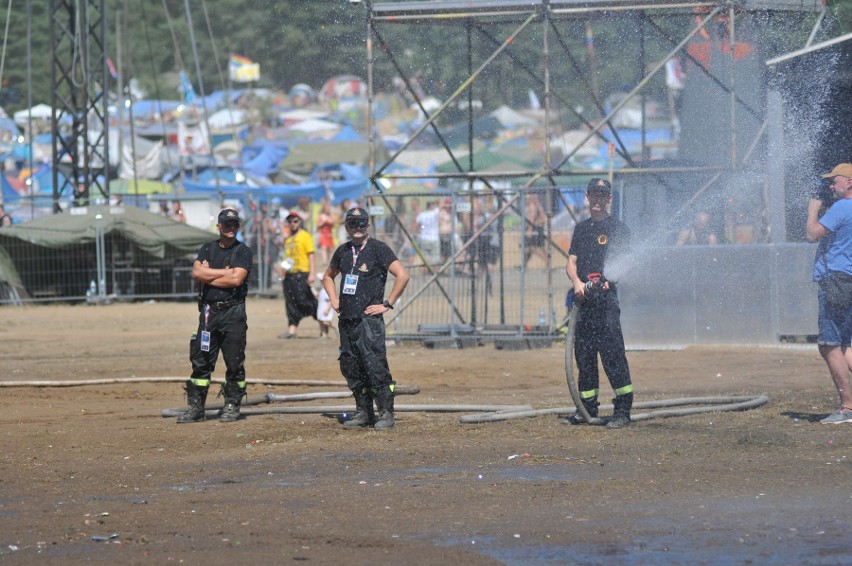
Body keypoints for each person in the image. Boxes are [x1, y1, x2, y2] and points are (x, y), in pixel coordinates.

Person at [323, 207, 410, 430]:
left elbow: (403, 275)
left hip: (368, 321)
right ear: (346, 226)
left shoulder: (378, 249)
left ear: (368, 226)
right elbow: (328, 276)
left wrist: (387, 304)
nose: (358, 227)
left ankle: (386, 413)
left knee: (375, 365)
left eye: (362, 223)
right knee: (351, 366)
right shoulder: (342, 251)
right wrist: (333, 299)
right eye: (353, 223)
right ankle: (363, 412)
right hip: (347, 319)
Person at [563, 178, 634, 429]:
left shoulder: (618, 229)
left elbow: (626, 263)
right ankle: (586, 408)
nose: (597, 200)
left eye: (602, 195)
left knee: (613, 355)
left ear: (609, 199)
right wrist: (577, 283)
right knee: (584, 357)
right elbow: (571, 261)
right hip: (583, 303)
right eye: (594, 194)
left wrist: (609, 281)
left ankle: (623, 411)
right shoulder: (581, 229)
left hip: (605, 303)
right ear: (587, 197)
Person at [177, 208, 253, 423]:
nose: (231, 228)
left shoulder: (243, 251)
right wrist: (225, 272)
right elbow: (196, 273)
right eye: (227, 224)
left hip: (234, 312)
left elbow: (235, 281)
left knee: (234, 361)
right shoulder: (207, 249)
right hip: (209, 312)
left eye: (234, 224)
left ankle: (232, 405)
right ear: (218, 226)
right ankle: (196, 408)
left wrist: (209, 275)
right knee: (201, 360)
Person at [805, 163, 852, 424]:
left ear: (849, 183)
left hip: (835, 280)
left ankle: (847, 408)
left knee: (828, 344)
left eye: (835, 181)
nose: (831, 186)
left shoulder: (842, 207)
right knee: (844, 344)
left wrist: (812, 210)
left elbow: (812, 235)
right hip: (849, 280)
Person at [277, 211, 317, 339]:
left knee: (305, 301)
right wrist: (283, 272)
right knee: (290, 303)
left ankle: (322, 319)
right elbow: (286, 257)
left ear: (300, 222)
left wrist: (312, 273)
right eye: (290, 221)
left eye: (295, 221)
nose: (292, 224)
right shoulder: (288, 238)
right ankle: (292, 330)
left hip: (302, 274)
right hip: (290, 275)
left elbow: (311, 255)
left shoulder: (305, 236)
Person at [523, 192, 548, 268]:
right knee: (529, 249)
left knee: (532, 248)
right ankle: (523, 265)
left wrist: (529, 229)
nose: (526, 200)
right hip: (537, 228)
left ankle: (547, 263)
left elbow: (531, 219)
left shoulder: (532, 206)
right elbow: (543, 218)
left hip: (534, 229)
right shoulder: (538, 206)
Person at [316, 272, 336, 339]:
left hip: (326, 308)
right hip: (321, 308)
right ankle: (324, 334)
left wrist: (327, 309)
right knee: (321, 322)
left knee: (325, 322)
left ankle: (335, 328)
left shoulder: (327, 289)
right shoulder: (322, 289)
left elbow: (330, 300)